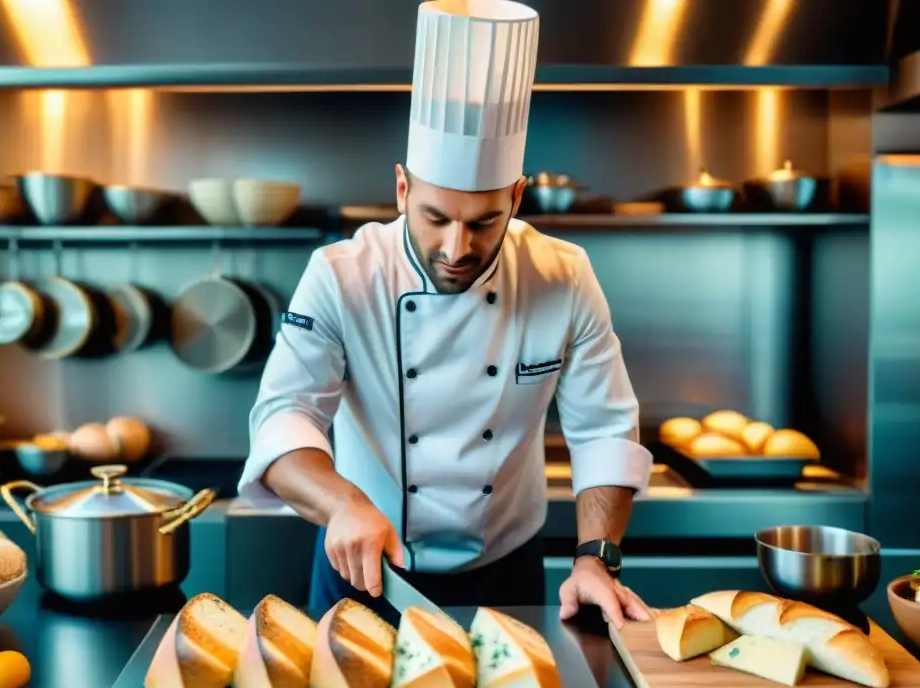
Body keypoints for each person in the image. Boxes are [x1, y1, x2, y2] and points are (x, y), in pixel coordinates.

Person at [237, 0, 653, 628]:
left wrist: (597, 558)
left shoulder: (561, 276)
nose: (457, 249)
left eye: (484, 221)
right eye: (434, 218)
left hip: (507, 571)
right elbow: (282, 418)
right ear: (402, 190)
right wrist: (343, 502)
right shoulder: (343, 275)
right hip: (362, 564)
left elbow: (604, 432)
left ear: (516, 196)